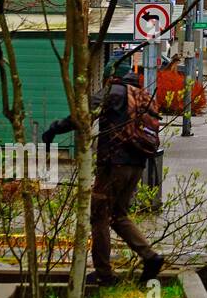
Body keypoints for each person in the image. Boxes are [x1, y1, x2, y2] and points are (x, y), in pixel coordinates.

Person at [42, 72, 164, 286]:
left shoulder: (113, 92)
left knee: (98, 215)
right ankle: (151, 257)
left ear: (112, 76)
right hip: (137, 165)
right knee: (118, 215)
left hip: (112, 165)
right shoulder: (145, 96)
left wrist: (54, 129)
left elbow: (82, 114)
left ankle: (103, 273)